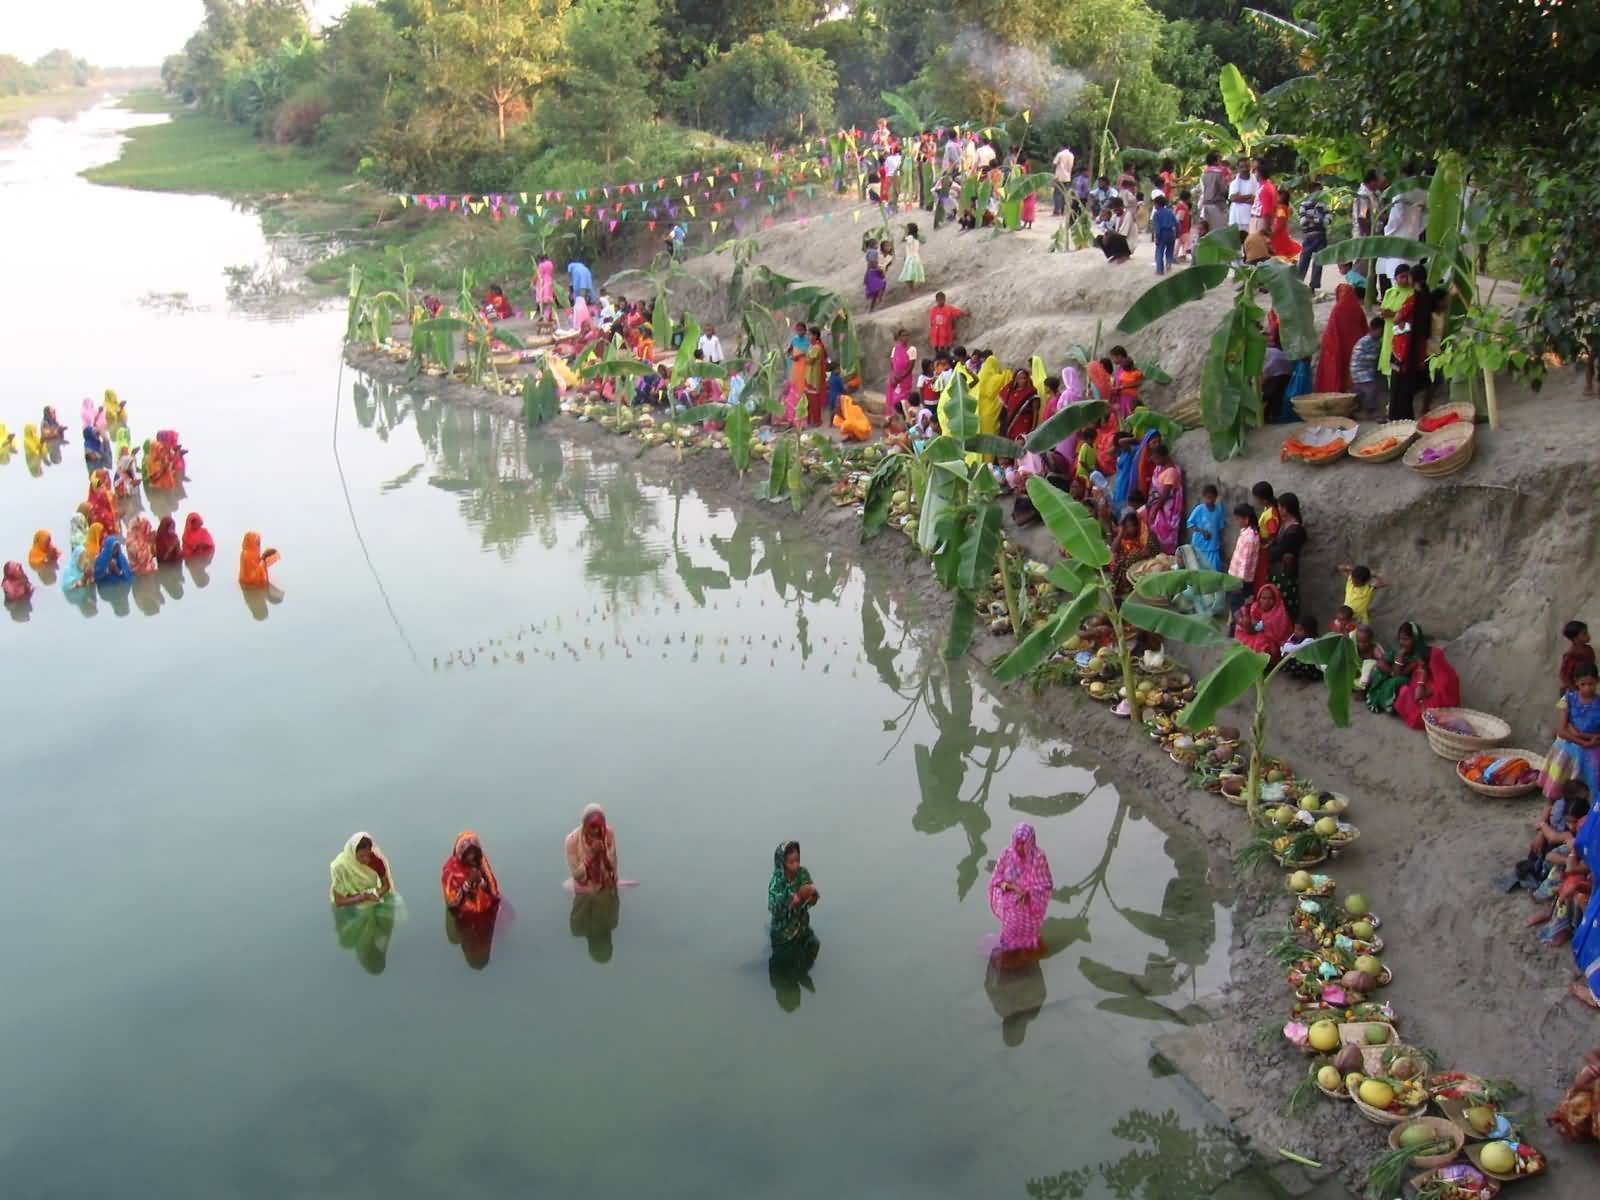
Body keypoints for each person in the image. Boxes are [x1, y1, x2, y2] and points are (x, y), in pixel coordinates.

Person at [988, 823, 1052, 962]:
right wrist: (1010, 887)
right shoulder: (1007, 854)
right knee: (1010, 931)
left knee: (1029, 934)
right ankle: (1009, 960)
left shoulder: (1038, 857)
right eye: (1017, 843)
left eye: (1023, 844)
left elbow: (1045, 883)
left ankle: (1026, 957)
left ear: (1030, 842)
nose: (1019, 847)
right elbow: (996, 878)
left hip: (1030, 904)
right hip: (1010, 902)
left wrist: (1029, 892)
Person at [1541, 665, 1600, 806]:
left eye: (1591, 684)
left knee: (1593, 773)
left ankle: (1587, 809)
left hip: (1594, 743)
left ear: (1597, 681)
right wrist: (1582, 741)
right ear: (1576, 683)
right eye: (1583, 684)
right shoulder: (1568, 699)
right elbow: (1561, 730)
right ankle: (1550, 807)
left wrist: (1592, 738)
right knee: (1560, 774)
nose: (1587, 688)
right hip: (1568, 742)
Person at [1313, 283, 1370, 394]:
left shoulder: (1337, 309)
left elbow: (1331, 332)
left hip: (1338, 347)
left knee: (1337, 371)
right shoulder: (1358, 308)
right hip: (1355, 349)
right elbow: (1364, 328)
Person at [768, 840, 819, 950]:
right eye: (791, 862)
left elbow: (813, 896)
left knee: (814, 946)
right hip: (783, 932)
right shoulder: (776, 882)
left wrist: (812, 896)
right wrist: (795, 900)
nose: (796, 865)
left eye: (797, 860)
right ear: (782, 863)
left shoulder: (802, 873)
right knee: (785, 959)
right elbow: (774, 908)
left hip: (802, 926)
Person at [441, 831, 501, 916]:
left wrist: (481, 881)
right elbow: (452, 904)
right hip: (465, 915)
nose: (472, 859)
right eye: (468, 855)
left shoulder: (481, 860)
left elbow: (493, 888)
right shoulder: (450, 870)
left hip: (486, 907)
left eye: (474, 855)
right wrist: (468, 883)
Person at [1266, 492, 1307, 617]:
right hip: (1278, 572)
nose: (1278, 509)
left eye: (1279, 507)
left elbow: (1279, 551)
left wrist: (1266, 552)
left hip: (1286, 574)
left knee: (1284, 606)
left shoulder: (1294, 531)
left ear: (1285, 508)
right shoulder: (1285, 525)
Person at [329, 832, 393, 906]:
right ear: (352, 853)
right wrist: (363, 897)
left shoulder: (376, 861)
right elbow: (339, 901)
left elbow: (386, 886)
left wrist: (376, 894)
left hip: (373, 902)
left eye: (368, 855)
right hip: (349, 908)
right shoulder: (340, 866)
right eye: (361, 856)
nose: (366, 860)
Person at [566, 803, 618, 893]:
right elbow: (576, 876)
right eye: (593, 827)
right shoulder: (572, 840)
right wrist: (591, 856)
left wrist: (603, 852)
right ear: (585, 824)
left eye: (600, 826)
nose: (596, 830)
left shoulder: (608, 834)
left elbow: (613, 868)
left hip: (606, 883)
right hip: (584, 887)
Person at [1234, 583, 1293, 661]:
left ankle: (1262, 661)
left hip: (1272, 642)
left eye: (1270, 598)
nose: (1267, 601)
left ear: (1276, 599)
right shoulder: (1255, 607)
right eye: (1264, 598)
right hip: (1253, 632)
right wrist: (1244, 621)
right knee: (1241, 630)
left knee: (1261, 641)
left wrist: (1263, 625)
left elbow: (1279, 635)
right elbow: (1238, 613)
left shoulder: (1279, 614)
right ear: (1259, 598)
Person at [1145, 443, 1184, 554]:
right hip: (1156, 504)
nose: (1155, 461)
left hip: (1166, 508)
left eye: (1156, 458)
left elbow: (1165, 494)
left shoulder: (1171, 472)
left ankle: (1168, 555)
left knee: (1165, 532)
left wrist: (1155, 509)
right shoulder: (1159, 468)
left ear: (1165, 456)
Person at [1109, 511, 1159, 597]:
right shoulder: (1126, 535)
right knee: (1120, 559)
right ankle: (1123, 586)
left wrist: (1137, 554)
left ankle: (1126, 585)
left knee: (1130, 557)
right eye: (1127, 526)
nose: (1129, 529)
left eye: (1131, 526)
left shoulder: (1147, 535)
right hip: (1132, 561)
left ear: (1137, 524)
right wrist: (1120, 533)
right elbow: (1113, 549)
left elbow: (1151, 552)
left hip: (1150, 561)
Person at [1349, 316, 1386, 418]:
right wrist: (1375, 358)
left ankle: (1351, 409)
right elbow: (1358, 356)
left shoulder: (1378, 341)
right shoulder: (1364, 341)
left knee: (1359, 393)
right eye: (1380, 331)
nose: (1381, 334)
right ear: (1373, 329)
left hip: (1367, 371)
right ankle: (1370, 411)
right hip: (1359, 370)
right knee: (1371, 390)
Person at [1227, 502, 1260, 612]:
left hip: (1241, 580)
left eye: (1237, 519)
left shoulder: (1250, 537)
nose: (1236, 521)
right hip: (1238, 578)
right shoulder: (1246, 532)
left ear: (1246, 519)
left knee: (1238, 607)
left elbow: (1245, 562)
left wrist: (1239, 582)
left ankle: (1237, 628)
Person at [1296, 180, 1330, 289]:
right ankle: (1298, 285)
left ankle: (1313, 287)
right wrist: (1318, 219)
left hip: (1320, 236)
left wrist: (1312, 219)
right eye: (1316, 190)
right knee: (1303, 262)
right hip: (1309, 236)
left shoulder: (1323, 205)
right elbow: (1303, 221)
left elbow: (1329, 220)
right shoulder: (1304, 204)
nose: (1318, 192)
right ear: (1311, 191)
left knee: (1318, 263)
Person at [1186, 483, 1226, 571]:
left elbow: (1221, 528)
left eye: (1212, 498)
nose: (1210, 501)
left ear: (1216, 497)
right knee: (1199, 568)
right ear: (1203, 497)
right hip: (1200, 545)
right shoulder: (1199, 509)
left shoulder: (1219, 510)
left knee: (1214, 568)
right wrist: (1202, 531)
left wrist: (1222, 543)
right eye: (1207, 498)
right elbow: (1190, 524)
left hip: (1213, 545)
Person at [998, 368, 1039, 441]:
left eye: (1024, 378)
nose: (1023, 380)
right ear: (1016, 380)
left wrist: (1033, 428)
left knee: (1021, 443)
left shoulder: (1031, 391)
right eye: (1020, 378)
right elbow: (1006, 404)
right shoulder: (1012, 392)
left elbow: (1035, 411)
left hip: (1024, 422)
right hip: (1012, 423)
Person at [885, 329, 916, 427]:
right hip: (894, 378)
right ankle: (893, 422)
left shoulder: (912, 350)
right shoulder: (895, 348)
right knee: (891, 400)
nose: (905, 338)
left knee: (901, 401)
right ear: (899, 337)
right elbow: (891, 363)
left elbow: (910, 367)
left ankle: (905, 422)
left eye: (907, 335)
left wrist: (900, 378)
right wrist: (894, 376)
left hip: (904, 380)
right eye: (903, 336)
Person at [1562, 621, 1596, 693]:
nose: (1588, 635)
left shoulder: (1588, 650)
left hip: (1584, 688)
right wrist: (1575, 691)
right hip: (1571, 690)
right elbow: (1565, 677)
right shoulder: (1570, 656)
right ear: (1575, 638)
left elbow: (1590, 670)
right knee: (1564, 704)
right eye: (1584, 633)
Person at [1151, 194, 1178, 275]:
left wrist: (1156, 238)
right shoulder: (1170, 211)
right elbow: (1176, 223)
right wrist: (1177, 234)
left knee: (1159, 251)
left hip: (1162, 233)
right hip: (1171, 232)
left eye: (1154, 204)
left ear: (1157, 204)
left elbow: (1157, 228)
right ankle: (1169, 263)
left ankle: (1160, 270)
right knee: (1170, 250)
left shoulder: (1156, 214)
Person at [1227, 158, 1255, 231]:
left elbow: (1256, 199)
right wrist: (1249, 196)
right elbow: (1233, 198)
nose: (1245, 169)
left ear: (1250, 167)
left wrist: (1239, 198)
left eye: (1247, 166)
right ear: (1238, 168)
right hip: (1235, 219)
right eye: (1242, 167)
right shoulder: (1234, 182)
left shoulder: (1256, 181)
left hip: (1251, 219)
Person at [900, 223, 926, 291]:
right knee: (912, 274)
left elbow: (902, 239)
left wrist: (905, 231)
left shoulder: (910, 237)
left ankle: (913, 290)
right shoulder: (916, 237)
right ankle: (914, 289)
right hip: (916, 256)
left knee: (907, 276)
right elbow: (923, 240)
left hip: (911, 258)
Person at [1051, 143, 1075, 216]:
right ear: (1069, 147)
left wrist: (1053, 174)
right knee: (1065, 194)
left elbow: (1054, 163)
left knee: (1057, 194)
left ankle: (1057, 211)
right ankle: (1063, 210)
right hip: (1068, 177)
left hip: (1059, 176)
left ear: (1062, 147)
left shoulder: (1060, 154)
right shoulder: (1071, 155)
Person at [534, 255, 556, 326]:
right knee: (548, 302)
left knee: (542, 302)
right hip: (549, 282)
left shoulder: (541, 265)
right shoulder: (550, 264)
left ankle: (544, 317)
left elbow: (539, 275)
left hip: (542, 283)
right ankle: (548, 316)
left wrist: (534, 282)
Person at [864, 241, 887, 310]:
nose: (877, 245)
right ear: (873, 245)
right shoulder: (874, 252)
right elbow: (872, 263)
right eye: (876, 244)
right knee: (882, 285)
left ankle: (872, 308)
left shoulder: (868, 252)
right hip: (874, 272)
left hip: (870, 272)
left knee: (875, 291)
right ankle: (879, 302)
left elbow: (869, 264)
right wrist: (879, 269)